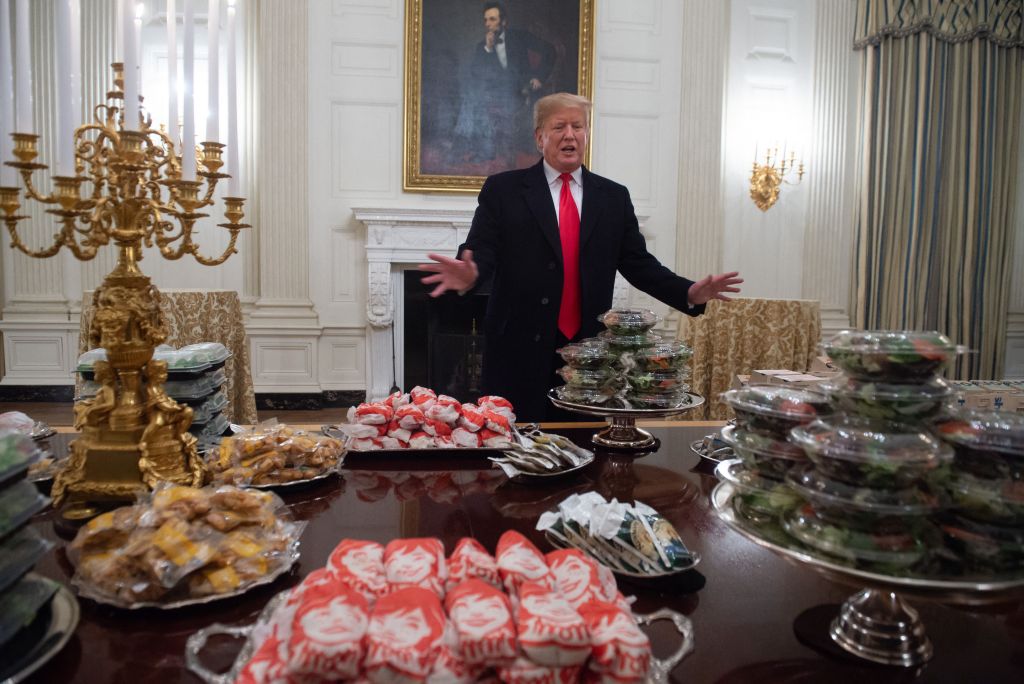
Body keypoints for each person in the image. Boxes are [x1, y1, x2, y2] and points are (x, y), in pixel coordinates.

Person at [420, 92, 742, 421]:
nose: (570, 134)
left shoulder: (613, 197)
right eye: (559, 126)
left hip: (589, 360)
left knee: (584, 452)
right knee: (514, 454)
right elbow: (481, 249)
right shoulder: (503, 190)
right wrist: (470, 274)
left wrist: (688, 292)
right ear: (539, 137)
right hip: (516, 354)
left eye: (578, 126)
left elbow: (639, 264)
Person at [456, 2, 556, 163]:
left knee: (476, 98)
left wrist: (539, 77)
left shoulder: (519, 37)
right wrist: (488, 49)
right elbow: (476, 74)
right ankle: (476, 147)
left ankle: (487, 148)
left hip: (521, 90)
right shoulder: (482, 47)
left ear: (504, 22)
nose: (488, 24)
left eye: (492, 19)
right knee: (471, 95)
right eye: (486, 20)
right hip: (495, 93)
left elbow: (550, 50)